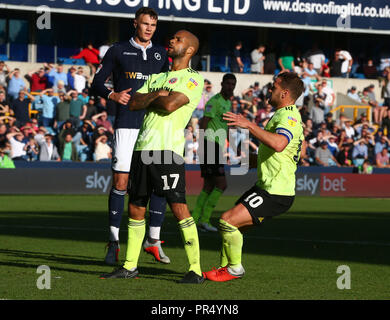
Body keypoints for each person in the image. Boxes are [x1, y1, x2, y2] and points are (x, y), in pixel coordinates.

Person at [100, 30, 205, 283]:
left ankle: (195, 270)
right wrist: (157, 95)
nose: (171, 40)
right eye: (173, 37)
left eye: (178, 39)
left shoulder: (192, 79)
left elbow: (170, 106)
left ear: (189, 50)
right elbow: (133, 102)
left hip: (167, 151)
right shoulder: (159, 77)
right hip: (142, 148)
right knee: (136, 206)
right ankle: (130, 266)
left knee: (179, 207)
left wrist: (154, 97)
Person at [202, 72, 304, 282]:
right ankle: (224, 267)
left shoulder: (288, 116)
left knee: (227, 221)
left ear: (284, 93)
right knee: (232, 225)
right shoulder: (283, 115)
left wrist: (249, 124)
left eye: (274, 87)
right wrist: (250, 160)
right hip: (266, 187)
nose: (269, 89)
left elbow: (278, 144)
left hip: (275, 191)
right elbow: (286, 151)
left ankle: (234, 269)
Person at [91, 7, 171, 266]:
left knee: (158, 181)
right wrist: (112, 95)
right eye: (145, 23)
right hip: (127, 123)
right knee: (121, 182)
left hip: (153, 125)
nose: (149, 28)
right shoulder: (117, 50)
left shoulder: (161, 54)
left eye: (153, 25)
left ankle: (154, 240)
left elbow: (167, 87)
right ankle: (114, 242)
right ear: (135, 23)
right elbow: (97, 82)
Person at [192, 73, 237, 232]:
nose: (230, 87)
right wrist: (202, 145)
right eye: (228, 84)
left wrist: (234, 146)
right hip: (210, 145)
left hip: (217, 146)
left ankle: (196, 220)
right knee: (221, 184)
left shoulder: (227, 103)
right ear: (222, 84)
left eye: (233, 84)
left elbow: (227, 126)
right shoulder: (214, 101)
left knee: (209, 185)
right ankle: (203, 219)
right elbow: (204, 122)